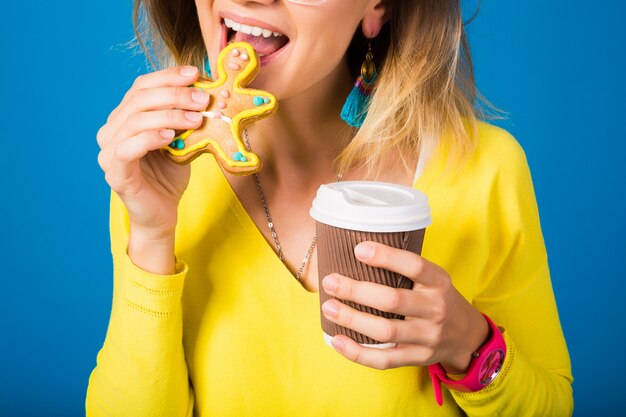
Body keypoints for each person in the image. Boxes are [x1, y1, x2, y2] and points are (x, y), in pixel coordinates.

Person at [86, 0, 573, 416]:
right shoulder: (163, 171)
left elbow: (552, 403)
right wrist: (150, 234)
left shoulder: (484, 169)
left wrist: (469, 345)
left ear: (376, 7)